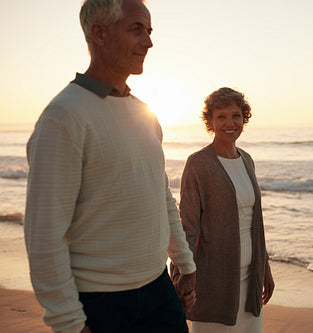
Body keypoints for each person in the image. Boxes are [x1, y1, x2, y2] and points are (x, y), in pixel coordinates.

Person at [24, 0, 196, 332]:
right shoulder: (64, 117)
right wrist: (70, 323)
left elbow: (161, 198)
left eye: (149, 31)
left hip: (159, 290)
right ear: (99, 33)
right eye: (136, 29)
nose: (148, 41)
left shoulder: (146, 113)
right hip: (100, 302)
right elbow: (45, 235)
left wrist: (185, 263)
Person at [171, 87, 275, 332]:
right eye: (221, 116)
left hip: (250, 280)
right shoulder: (198, 163)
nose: (230, 123)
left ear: (244, 118)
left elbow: (254, 223)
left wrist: (265, 268)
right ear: (210, 122)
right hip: (214, 281)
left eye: (236, 115)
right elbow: (188, 227)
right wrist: (180, 278)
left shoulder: (247, 159)